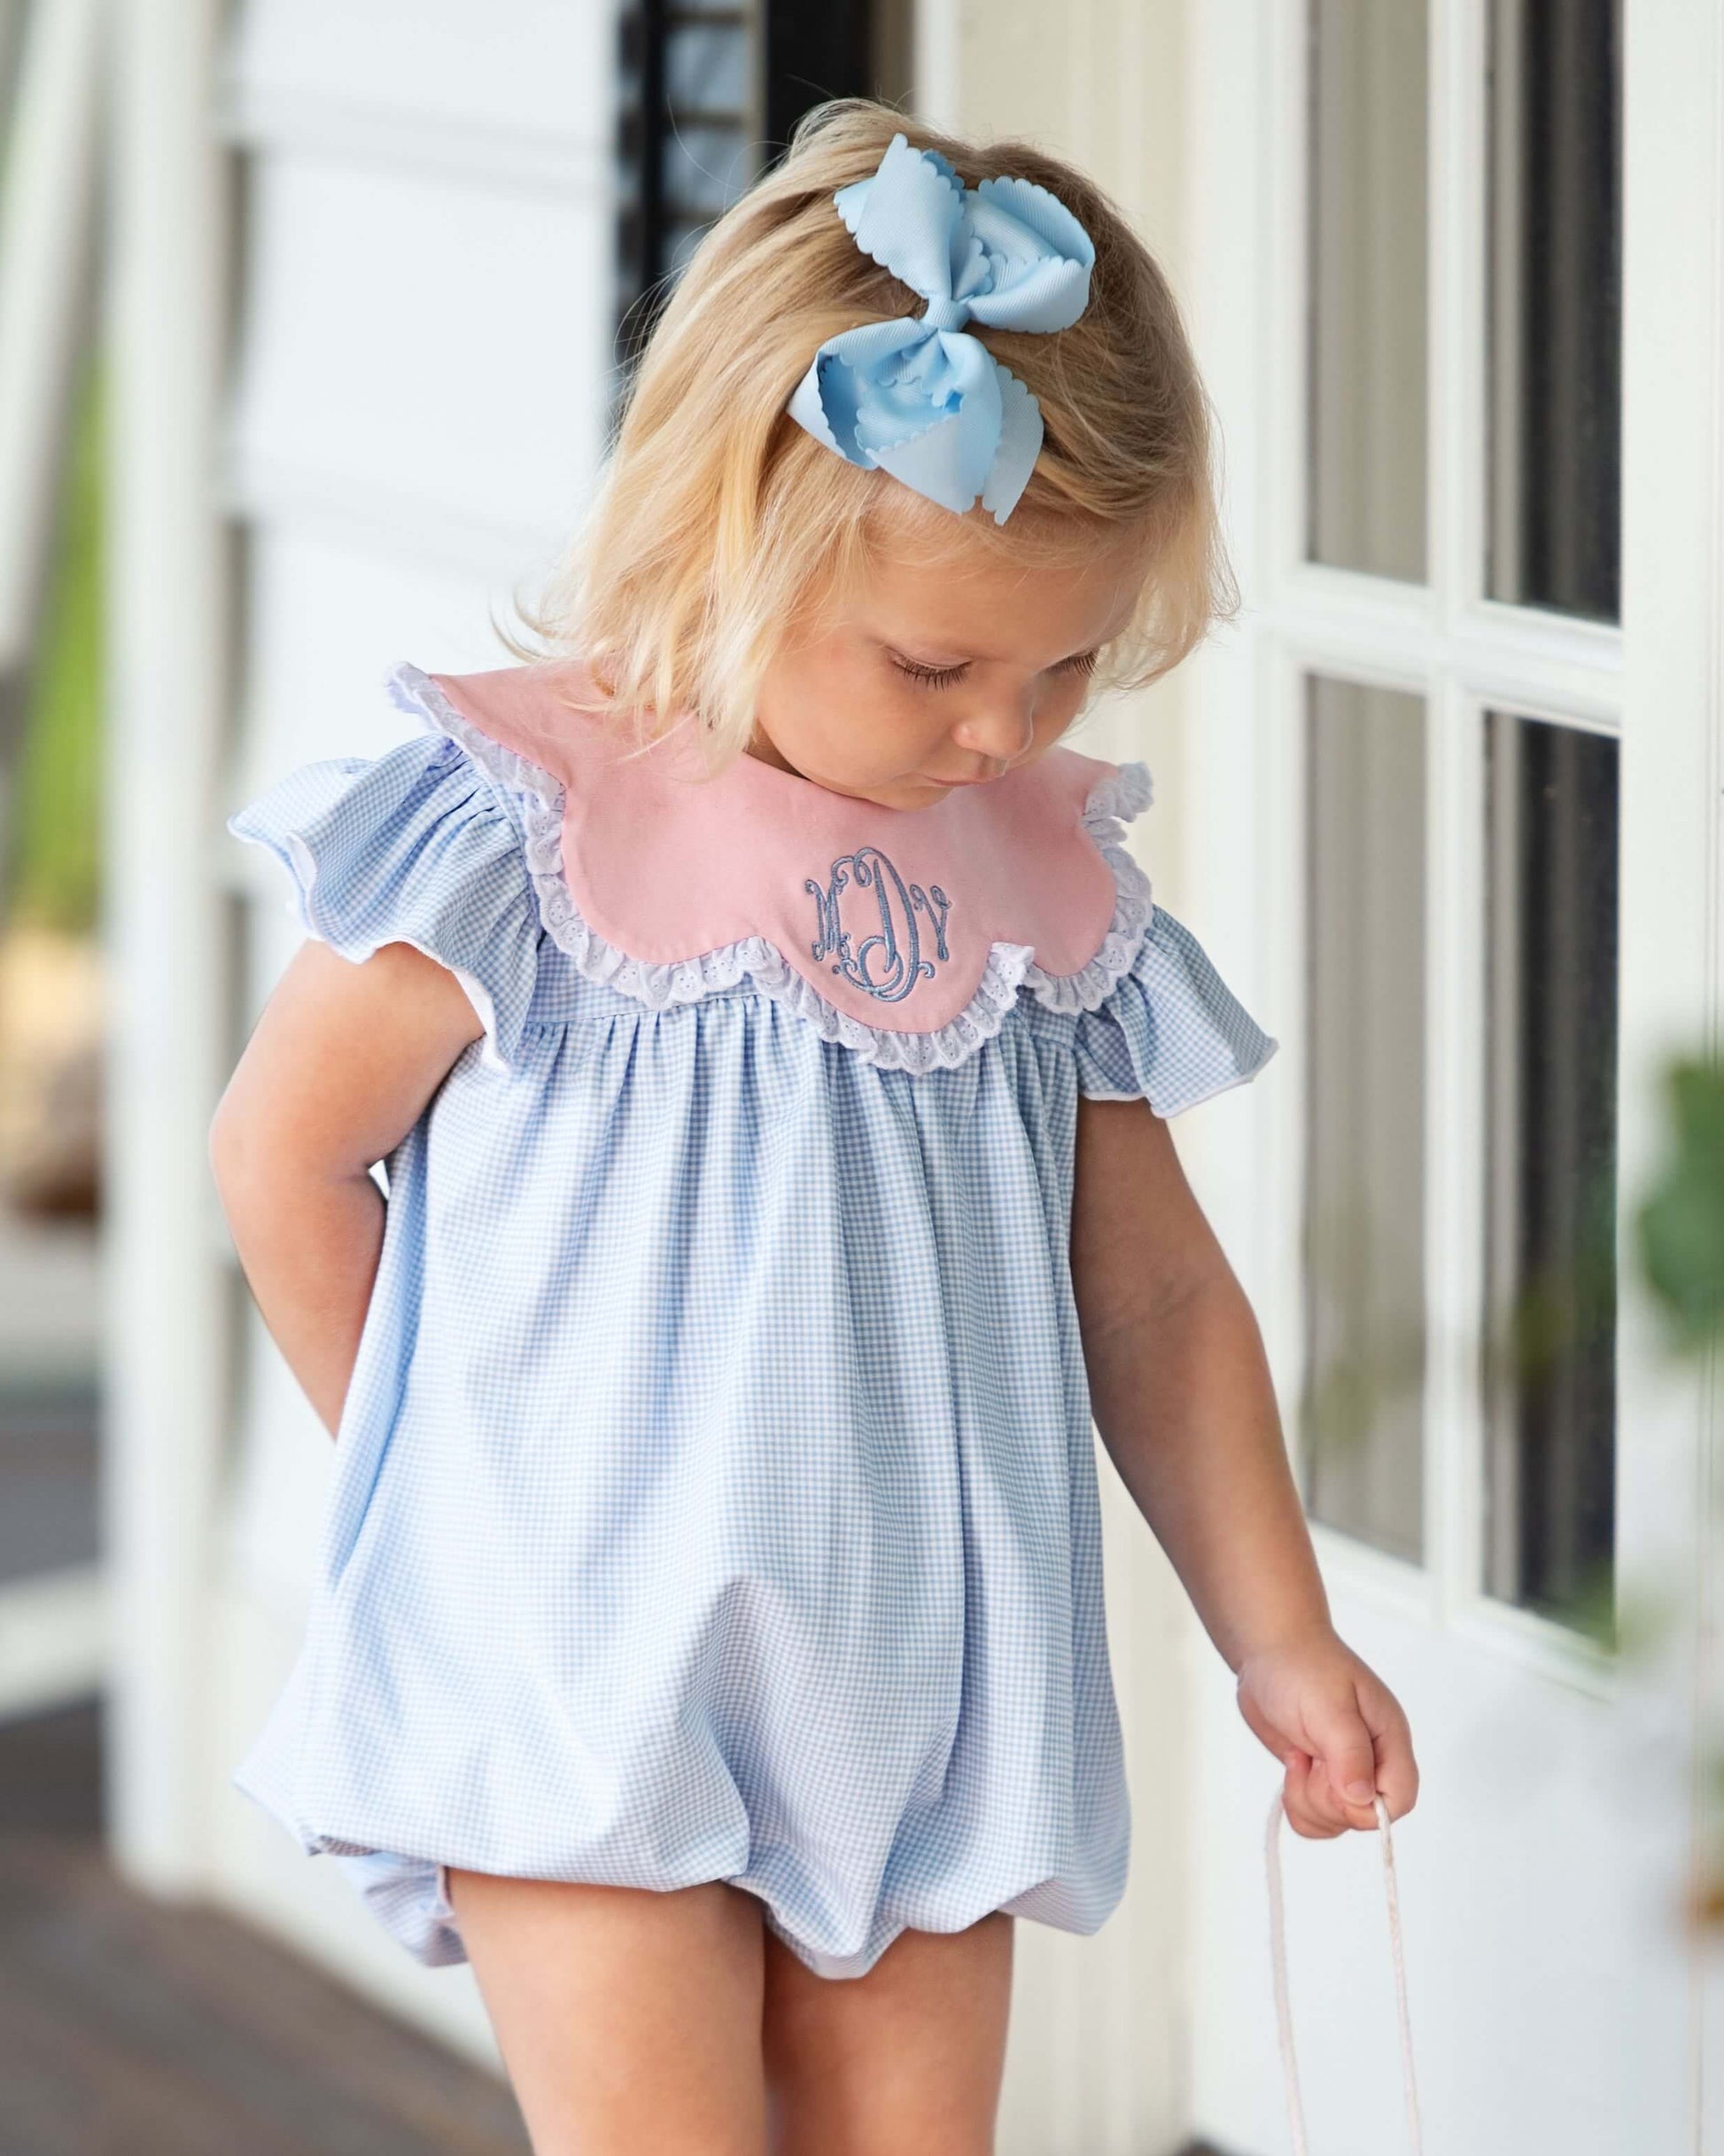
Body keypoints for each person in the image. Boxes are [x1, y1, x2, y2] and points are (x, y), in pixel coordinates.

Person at [210, 101, 1418, 2156]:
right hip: (582, 1666)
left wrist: (1278, 1628)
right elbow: (285, 1153)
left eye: (1060, 670)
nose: (999, 730)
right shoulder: (527, 830)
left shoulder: (1047, 892)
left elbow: (1150, 1296)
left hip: (923, 1691)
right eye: (938, 663)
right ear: (721, 532)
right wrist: (439, 1492)